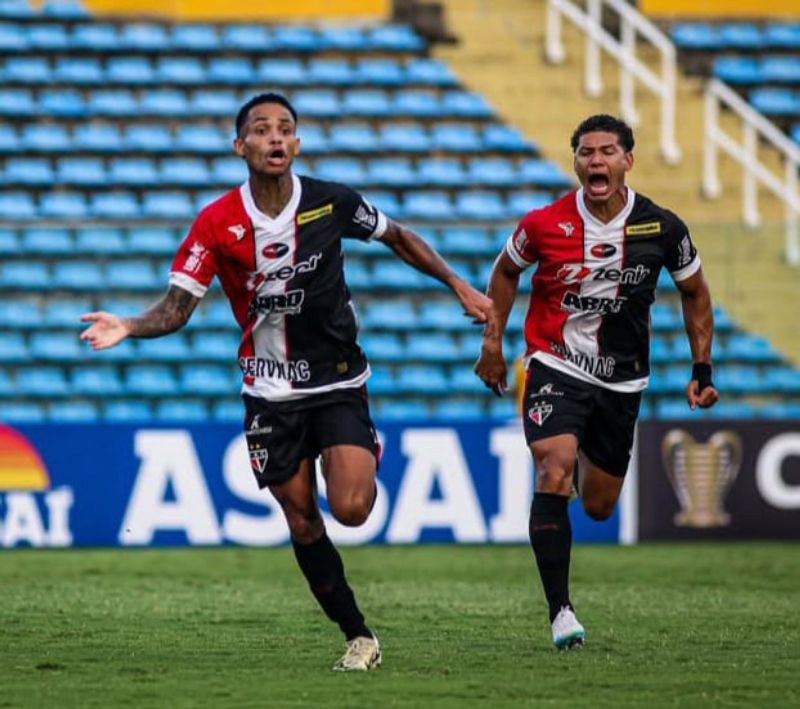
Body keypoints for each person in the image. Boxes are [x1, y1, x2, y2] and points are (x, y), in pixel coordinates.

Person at [80, 92, 493, 671]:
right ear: (240, 145)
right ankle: (359, 635)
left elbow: (398, 235)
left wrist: (458, 284)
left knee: (351, 509)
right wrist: (127, 323)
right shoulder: (217, 223)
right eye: (261, 130)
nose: (275, 138)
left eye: (285, 129)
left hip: (337, 379)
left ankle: (362, 447)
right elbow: (177, 308)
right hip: (269, 390)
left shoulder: (331, 202)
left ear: (296, 144)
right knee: (302, 519)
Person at [475, 114, 718, 650]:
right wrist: (492, 344)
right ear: (576, 162)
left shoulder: (662, 227)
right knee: (553, 468)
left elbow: (696, 292)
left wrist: (701, 368)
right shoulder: (543, 224)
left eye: (608, 151)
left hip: (622, 380)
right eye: (586, 153)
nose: (596, 161)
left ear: (628, 160)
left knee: (599, 505)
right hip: (555, 363)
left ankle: (578, 460)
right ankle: (560, 611)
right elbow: (506, 271)